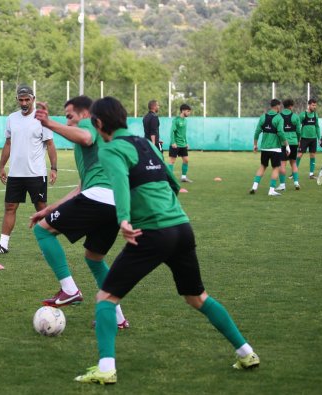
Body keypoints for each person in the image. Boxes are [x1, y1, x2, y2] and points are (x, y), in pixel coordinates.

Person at [74, 96, 259, 385]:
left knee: (106, 298)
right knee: (197, 297)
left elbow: (119, 186)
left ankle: (106, 368)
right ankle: (246, 352)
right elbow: (171, 179)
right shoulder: (144, 143)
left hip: (152, 233)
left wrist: (124, 218)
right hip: (181, 227)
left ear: (98, 123)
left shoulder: (110, 149)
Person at [30, 96, 128, 328]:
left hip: (98, 198)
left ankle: (69, 289)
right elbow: (82, 187)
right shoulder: (97, 146)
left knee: (42, 232)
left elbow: (84, 137)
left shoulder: (88, 125)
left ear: (86, 115)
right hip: (113, 202)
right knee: (94, 259)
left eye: (70, 116)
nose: (69, 122)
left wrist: (50, 123)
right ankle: (118, 318)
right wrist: (50, 209)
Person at [0, 86, 57, 255]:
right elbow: (8, 143)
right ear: (17, 99)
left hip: (36, 174)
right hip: (15, 174)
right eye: (21, 99)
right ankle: (3, 245)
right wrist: (1, 166)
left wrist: (54, 168)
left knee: (41, 209)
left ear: (33, 99)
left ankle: (50, 244)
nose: (24, 103)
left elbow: (50, 144)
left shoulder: (41, 118)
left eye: (27, 99)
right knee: (10, 207)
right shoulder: (12, 118)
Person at [249, 99, 291, 196]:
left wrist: (255, 145)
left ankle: (254, 187)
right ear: (277, 106)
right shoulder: (279, 118)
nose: (280, 108)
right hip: (275, 148)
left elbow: (257, 132)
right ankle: (271, 190)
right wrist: (287, 145)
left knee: (263, 166)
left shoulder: (263, 117)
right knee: (276, 168)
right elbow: (281, 133)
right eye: (279, 106)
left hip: (264, 148)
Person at [277, 99, 301, 190]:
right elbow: (299, 131)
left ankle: (282, 185)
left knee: (282, 164)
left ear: (284, 106)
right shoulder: (295, 116)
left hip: (283, 143)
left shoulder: (279, 116)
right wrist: (298, 140)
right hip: (294, 142)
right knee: (293, 163)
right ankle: (296, 183)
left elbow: (278, 131)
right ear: (291, 106)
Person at [168, 103, 192, 182]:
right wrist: (173, 142)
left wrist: (186, 143)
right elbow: (172, 132)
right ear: (183, 111)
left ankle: (183, 177)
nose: (189, 113)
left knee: (186, 160)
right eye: (188, 111)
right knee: (172, 161)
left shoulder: (185, 121)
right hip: (175, 144)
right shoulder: (176, 120)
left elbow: (184, 133)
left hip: (183, 144)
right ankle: (170, 178)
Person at [297, 99, 321, 179]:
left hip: (313, 139)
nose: (314, 107)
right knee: (299, 155)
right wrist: (298, 138)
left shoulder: (315, 115)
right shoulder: (303, 115)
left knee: (313, 155)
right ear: (309, 105)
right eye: (313, 105)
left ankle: (311, 174)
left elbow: (317, 127)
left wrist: (319, 138)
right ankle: (294, 172)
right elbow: (298, 126)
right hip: (304, 138)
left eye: (315, 105)